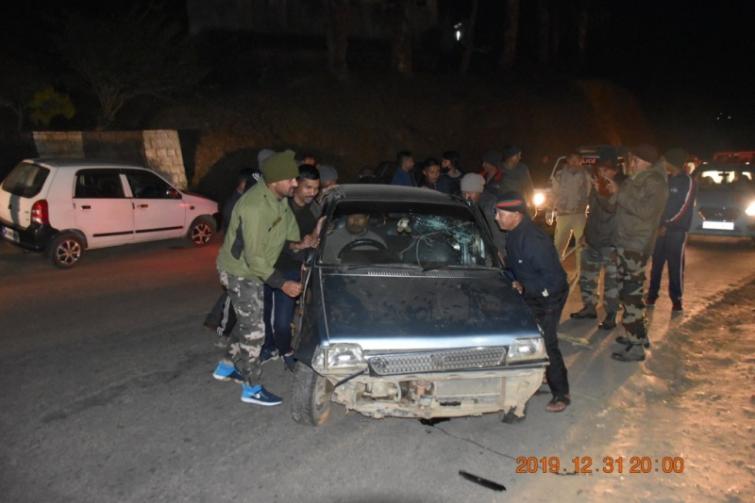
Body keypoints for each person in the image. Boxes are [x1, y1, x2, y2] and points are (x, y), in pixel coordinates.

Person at [212, 149, 315, 406]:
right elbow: (254, 258)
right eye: (290, 179)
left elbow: (285, 232)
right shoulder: (255, 207)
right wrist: (283, 283)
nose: (295, 183)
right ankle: (251, 388)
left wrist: (300, 244)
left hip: (254, 269)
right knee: (255, 331)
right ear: (275, 180)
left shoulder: (279, 198)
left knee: (246, 322)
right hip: (240, 271)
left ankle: (225, 367)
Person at [494, 191, 570, 412]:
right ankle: (538, 377)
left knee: (547, 342)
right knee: (529, 338)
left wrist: (526, 287)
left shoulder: (534, 241)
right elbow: (519, 265)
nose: (497, 218)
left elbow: (553, 281)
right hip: (532, 292)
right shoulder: (514, 233)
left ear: (516, 215)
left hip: (549, 296)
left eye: (501, 214)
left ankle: (561, 393)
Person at [604, 144, 668, 362]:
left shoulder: (655, 182)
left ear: (644, 161)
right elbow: (618, 206)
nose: (630, 163)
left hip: (636, 243)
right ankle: (637, 334)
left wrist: (620, 194)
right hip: (625, 241)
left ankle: (636, 346)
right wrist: (614, 192)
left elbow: (646, 212)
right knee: (628, 292)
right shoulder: (636, 178)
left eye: (634, 159)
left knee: (632, 294)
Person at [261, 164, 323, 370]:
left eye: (316, 188)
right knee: (266, 312)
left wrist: (316, 234)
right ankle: (269, 347)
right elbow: (271, 239)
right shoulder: (279, 206)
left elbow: (311, 240)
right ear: (296, 185)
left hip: (292, 269)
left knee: (283, 317)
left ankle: (285, 349)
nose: (312, 192)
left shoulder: (314, 210)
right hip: (269, 267)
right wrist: (297, 245)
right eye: (308, 187)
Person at [204, 168, 260, 340]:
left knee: (235, 292)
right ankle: (220, 325)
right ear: (243, 184)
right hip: (235, 255)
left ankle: (219, 322)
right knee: (232, 293)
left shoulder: (241, 200)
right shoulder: (235, 204)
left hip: (240, 253)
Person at [570, 160, 624, 330]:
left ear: (614, 171)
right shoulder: (596, 187)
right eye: (599, 170)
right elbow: (592, 212)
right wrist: (585, 234)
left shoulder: (621, 187)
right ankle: (589, 307)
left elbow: (610, 207)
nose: (600, 173)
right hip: (593, 239)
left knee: (612, 281)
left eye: (604, 170)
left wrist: (600, 192)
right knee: (587, 277)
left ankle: (611, 314)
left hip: (611, 242)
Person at [647, 148, 696, 312]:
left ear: (672, 162)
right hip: (660, 230)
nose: (663, 163)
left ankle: (677, 300)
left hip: (676, 232)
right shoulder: (665, 179)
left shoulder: (687, 181)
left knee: (675, 267)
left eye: (665, 160)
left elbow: (684, 207)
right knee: (656, 265)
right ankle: (651, 296)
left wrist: (667, 225)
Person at [552, 152, 591, 262]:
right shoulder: (559, 175)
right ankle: (555, 267)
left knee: (581, 244)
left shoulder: (586, 175)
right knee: (558, 243)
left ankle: (581, 269)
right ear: (568, 160)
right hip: (563, 214)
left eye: (577, 160)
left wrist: (586, 207)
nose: (574, 162)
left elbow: (589, 192)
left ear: (581, 161)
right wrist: (550, 209)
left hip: (580, 214)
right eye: (572, 160)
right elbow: (553, 193)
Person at [460, 172, 506, 253]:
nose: (467, 197)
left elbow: (498, 235)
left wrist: (500, 252)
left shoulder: (489, 206)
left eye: (470, 193)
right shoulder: (473, 203)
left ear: (479, 191)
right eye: (464, 193)